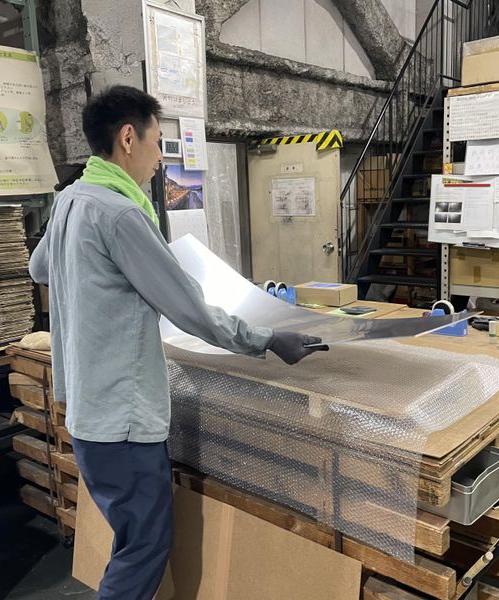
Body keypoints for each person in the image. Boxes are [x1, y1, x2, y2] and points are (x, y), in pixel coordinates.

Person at [29, 85, 322, 600]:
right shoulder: (121, 214)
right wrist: (269, 338)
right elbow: (188, 308)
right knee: (144, 548)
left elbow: (39, 267)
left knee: (131, 539)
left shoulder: (73, 199)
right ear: (128, 138)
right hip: (123, 421)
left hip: (88, 415)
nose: (160, 158)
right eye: (156, 142)